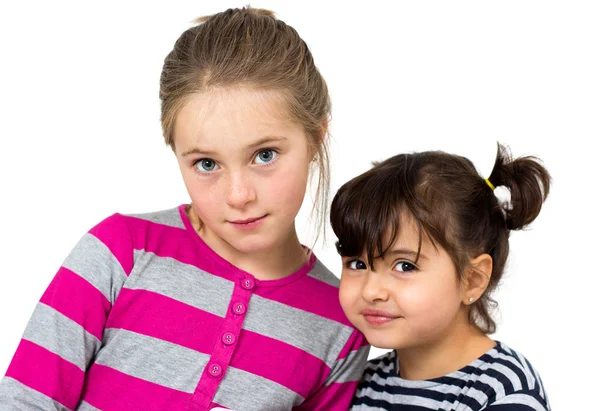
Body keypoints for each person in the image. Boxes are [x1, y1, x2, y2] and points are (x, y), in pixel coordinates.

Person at [0, 7, 368, 411]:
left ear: (316, 136)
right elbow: (24, 401)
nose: (238, 194)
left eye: (265, 155)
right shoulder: (122, 252)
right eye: (206, 164)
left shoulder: (341, 323)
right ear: (176, 152)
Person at [330, 144, 551, 410]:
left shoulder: (505, 391)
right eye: (357, 263)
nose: (371, 291)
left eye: (405, 266)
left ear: (472, 279)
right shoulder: (360, 384)